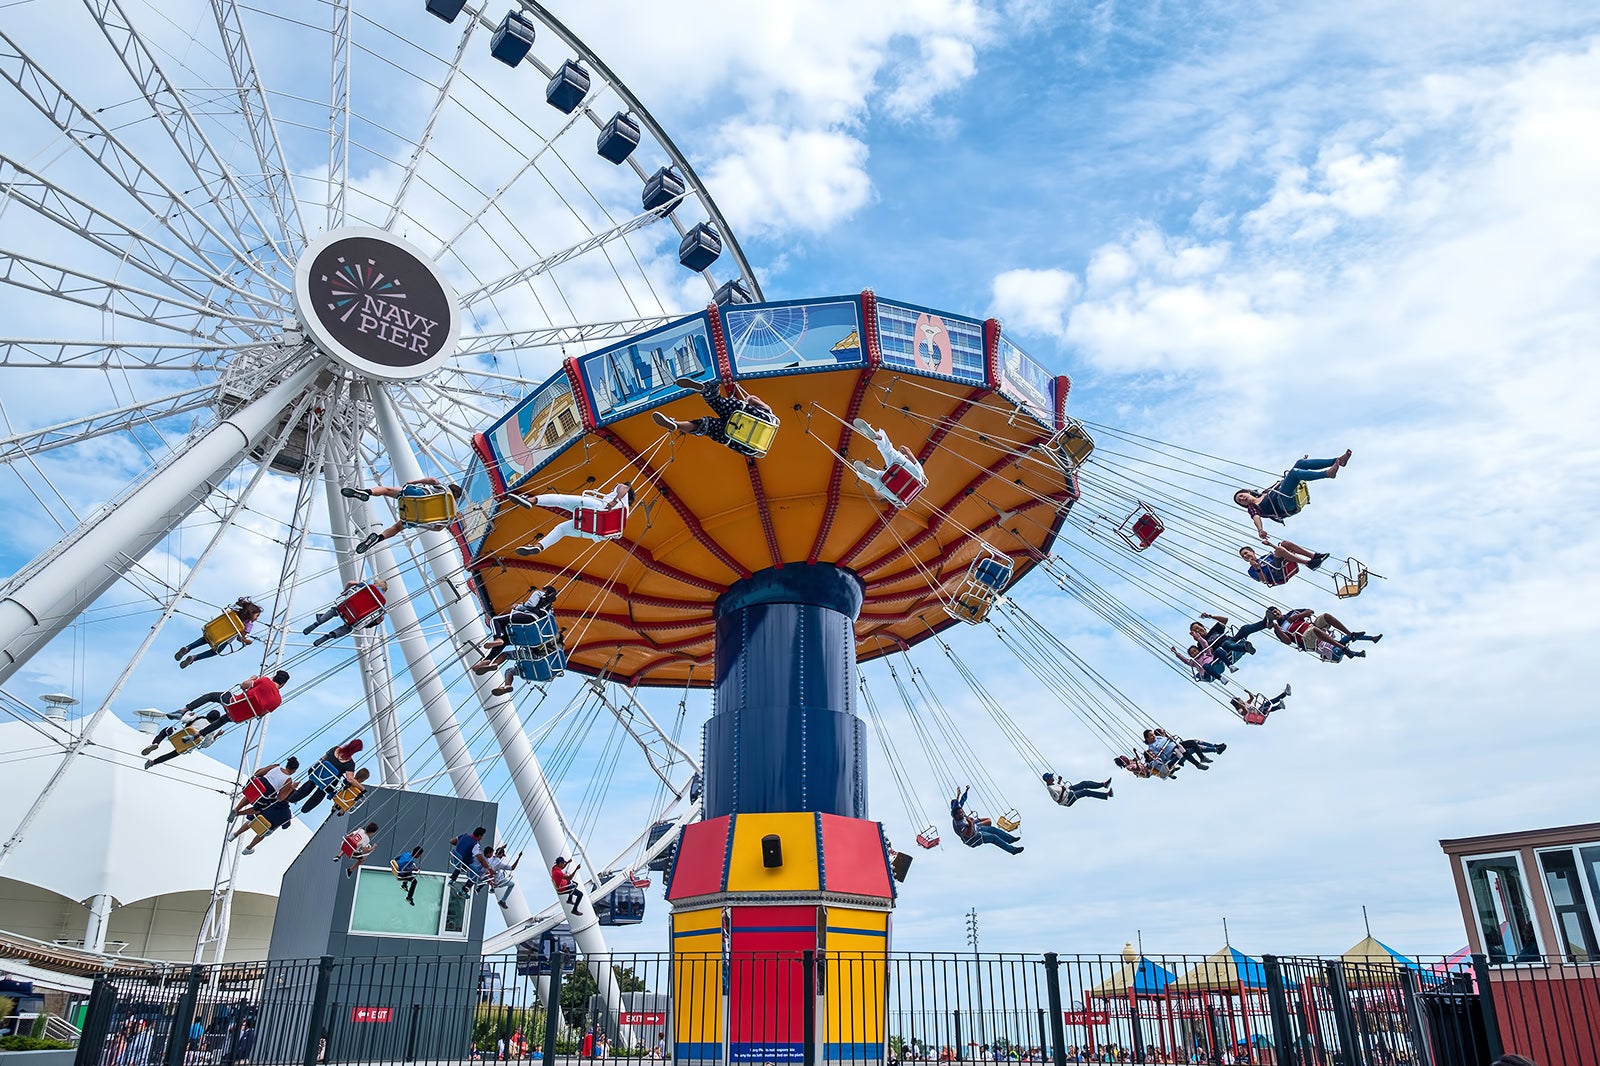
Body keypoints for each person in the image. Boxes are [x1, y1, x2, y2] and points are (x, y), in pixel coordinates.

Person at [143, 670, 289, 768]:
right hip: (238, 716)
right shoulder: (278, 701)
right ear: (283, 684)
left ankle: (183, 710)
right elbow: (261, 715)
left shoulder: (265, 681)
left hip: (232, 703)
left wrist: (251, 680)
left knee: (211, 696)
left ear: (274, 677)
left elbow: (244, 686)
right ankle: (198, 735)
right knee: (222, 721)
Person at [1233, 451, 1352, 541]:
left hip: (1286, 495)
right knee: (1295, 473)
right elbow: (1256, 517)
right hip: (1284, 504)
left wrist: (1303, 464)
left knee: (1300, 464)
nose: (1243, 499)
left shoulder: (1265, 493)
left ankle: (1338, 461)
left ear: (1248, 492)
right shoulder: (1253, 507)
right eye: (1241, 501)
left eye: (1242, 496)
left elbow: (1283, 482)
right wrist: (1260, 530)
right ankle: (1327, 474)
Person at [652, 376, 777, 453]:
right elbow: (734, 449)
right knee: (707, 426)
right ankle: (676, 425)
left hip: (745, 416)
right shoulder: (758, 445)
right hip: (735, 435)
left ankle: (705, 390)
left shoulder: (768, 413)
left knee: (718, 402)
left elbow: (752, 399)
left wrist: (747, 401)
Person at [345, 477, 465, 553]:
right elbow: (438, 528)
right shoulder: (451, 514)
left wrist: (413, 482)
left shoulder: (445, 489)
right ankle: (378, 539)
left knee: (386, 490)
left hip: (415, 496)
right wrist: (421, 523)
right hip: (416, 517)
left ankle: (366, 492)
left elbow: (433, 481)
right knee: (397, 528)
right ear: (457, 498)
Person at [514, 482, 632, 556]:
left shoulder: (620, 490)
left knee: (561, 500)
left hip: (599, 509)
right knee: (561, 529)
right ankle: (538, 547)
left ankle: (530, 501)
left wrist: (613, 501)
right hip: (597, 532)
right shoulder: (624, 514)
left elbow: (625, 488)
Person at [475, 586, 558, 675]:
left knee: (495, 620)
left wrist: (518, 606)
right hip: (533, 629)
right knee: (506, 640)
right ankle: (488, 660)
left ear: (545, 590)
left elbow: (531, 604)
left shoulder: (539, 593)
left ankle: (497, 638)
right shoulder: (550, 609)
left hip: (528, 617)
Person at [850, 419, 925, 508]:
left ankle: (878, 438)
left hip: (911, 476)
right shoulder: (900, 499)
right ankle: (869, 475)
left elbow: (905, 449)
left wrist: (902, 454)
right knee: (875, 479)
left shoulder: (920, 473)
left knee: (889, 452)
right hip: (898, 493)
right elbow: (881, 499)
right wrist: (874, 487)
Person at [174, 598, 262, 668]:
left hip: (215, 631)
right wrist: (247, 641)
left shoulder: (233, 613)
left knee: (205, 639)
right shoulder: (248, 625)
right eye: (257, 615)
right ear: (251, 613)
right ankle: (194, 658)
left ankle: (188, 647)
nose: (257, 618)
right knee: (216, 651)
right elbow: (240, 638)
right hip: (224, 640)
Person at [288, 740, 367, 813]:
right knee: (321, 792)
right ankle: (305, 809)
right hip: (328, 784)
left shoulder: (335, 749)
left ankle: (293, 798)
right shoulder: (350, 764)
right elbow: (350, 779)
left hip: (317, 775)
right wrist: (362, 788)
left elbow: (322, 759)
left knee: (312, 782)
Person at [302, 580, 387, 646]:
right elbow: (381, 618)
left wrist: (344, 592)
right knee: (348, 628)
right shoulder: (382, 602)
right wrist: (376, 621)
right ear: (383, 591)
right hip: (355, 617)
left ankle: (317, 623)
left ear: (376, 583)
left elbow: (351, 582)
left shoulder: (368, 586)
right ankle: (330, 635)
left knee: (334, 610)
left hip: (346, 606)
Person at [1273, 608, 1381, 657]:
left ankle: (1350, 634)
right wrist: (1276, 627)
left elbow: (1310, 611)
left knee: (1326, 616)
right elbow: (1287, 641)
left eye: (1276, 611)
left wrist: (1298, 616)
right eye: (1273, 613)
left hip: (1312, 628)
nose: (1276, 613)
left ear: (1279, 610)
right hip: (1305, 640)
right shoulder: (1279, 629)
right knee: (1316, 631)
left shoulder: (1292, 613)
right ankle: (1346, 649)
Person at [950, 786, 1023, 854]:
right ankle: (1013, 850)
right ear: (955, 814)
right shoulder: (958, 824)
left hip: (976, 828)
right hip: (973, 838)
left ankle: (1010, 839)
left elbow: (962, 801)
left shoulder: (959, 811)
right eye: (960, 813)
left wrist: (965, 792)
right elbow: (969, 834)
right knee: (993, 837)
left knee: (994, 830)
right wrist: (970, 822)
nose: (962, 813)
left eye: (962, 811)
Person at [231, 757, 300, 820]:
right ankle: (238, 813)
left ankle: (236, 809)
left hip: (259, 783)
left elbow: (258, 773)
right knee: (260, 809)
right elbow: (281, 797)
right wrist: (291, 787)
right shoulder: (288, 779)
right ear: (294, 770)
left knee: (251, 796)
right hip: (267, 792)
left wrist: (269, 767)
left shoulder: (275, 767)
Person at [1239, 541, 1330, 587]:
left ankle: (1313, 556)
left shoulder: (1265, 557)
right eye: (1243, 556)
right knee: (1279, 550)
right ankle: (1308, 563)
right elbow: (1264, 581)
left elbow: (1278, 553)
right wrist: (1256, 568)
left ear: (1252, 552)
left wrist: (1270, 544)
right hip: (1276, 574)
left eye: (1246, 553)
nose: (1245, 556)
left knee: (1284, 543)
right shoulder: (1251, 570)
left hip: (1280, 565)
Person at [1189, 614, 1255, 668]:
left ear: (1202, 627)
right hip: (1224, 651)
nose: (1197, 630)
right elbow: (1205, 655)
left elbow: (1224, 620)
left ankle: (1264, 623)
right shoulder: (1200, 644)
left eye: (1197, 628)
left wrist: (1209, 616)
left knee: (1245, 628)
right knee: (1226, 644)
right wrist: (1198, 638)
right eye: (1195, 631)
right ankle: (1244, 648)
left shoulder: (1215, 630)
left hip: (1232, 641)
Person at [449, 827, 493, 894]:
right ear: (479, 836)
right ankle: (465, 888)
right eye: (482, 836)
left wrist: (461, 845)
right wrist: (489, 868)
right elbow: (481, 859)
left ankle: (452, 879)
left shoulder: (464, 836)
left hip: (455, 858)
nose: (482, 838)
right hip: (464, 862)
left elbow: (452, 841)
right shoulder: (475, 845)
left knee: (460, 862)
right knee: (476, 871)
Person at [1042, 772, 1113, 806]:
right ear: (1047, 779)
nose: (1052, 777)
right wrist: (1063, 790)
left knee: (1084, 783)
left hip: (1068, 791)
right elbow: (1058, 800)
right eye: (1051, 777)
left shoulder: (1053, 784)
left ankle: (1104, 784)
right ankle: (1106, 795)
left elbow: (1059, 787)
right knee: (1085, 792)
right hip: (1068, 799)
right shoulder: (1051, 789)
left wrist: (1059, 781)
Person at [486, 844, 522, 909]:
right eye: (502, 855)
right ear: (501, 855)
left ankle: (492, 888)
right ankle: (503, 900)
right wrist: (518, 858)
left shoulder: (490, 858)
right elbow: (512, 868)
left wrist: (502, 848)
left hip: (489, 878)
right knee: (512, 884)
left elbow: (496, 855)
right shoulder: (499, 863)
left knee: (501, 872)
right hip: (498, 882)